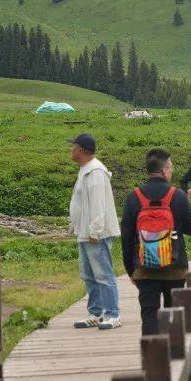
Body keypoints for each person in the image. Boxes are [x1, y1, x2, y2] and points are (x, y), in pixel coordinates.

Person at [121, 148, 191, 336]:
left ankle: (152, 361)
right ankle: (175, 361)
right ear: (164, 170)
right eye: (170, 167)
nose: (171, 171)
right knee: (174, 316)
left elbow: (126, 236)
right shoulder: (177, 195)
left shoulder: (134, 197)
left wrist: (131, 270)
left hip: (145, 269)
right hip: (174, 268)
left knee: (149, 316)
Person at [68, 133, 122, 330]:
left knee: (103, 274)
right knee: (88, 274)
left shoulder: (96, 172)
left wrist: (95, 231)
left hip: (95, 234)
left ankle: (112, 313)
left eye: (73, 147)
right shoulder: (85, 170)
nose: (71, 151)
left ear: (81, 150)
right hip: (84, 232)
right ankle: (96, 312)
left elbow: (99, 205)